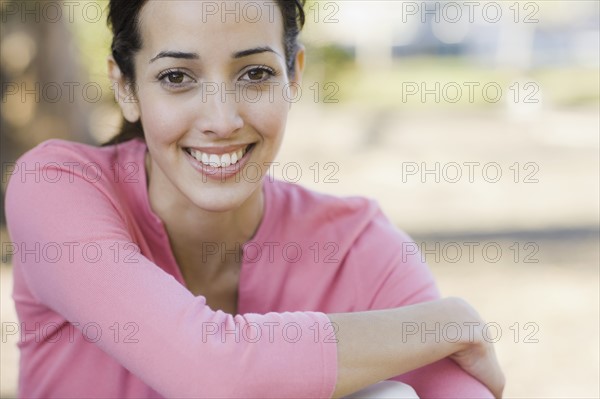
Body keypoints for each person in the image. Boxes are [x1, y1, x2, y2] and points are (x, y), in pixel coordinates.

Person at [5, 1, 505, 397]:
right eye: (177, 77)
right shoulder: (55, 187)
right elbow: (211, 373)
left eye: (255, 74)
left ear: (294, 75)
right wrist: (450, 322)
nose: (222, 120)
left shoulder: (357, 244)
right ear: (126, 87)